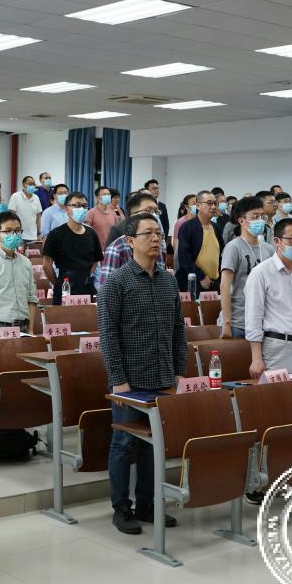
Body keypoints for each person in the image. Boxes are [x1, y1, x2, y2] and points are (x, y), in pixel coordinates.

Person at [98, 212, 187, 535]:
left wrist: (179, 371)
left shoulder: (168, 280)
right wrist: (118, 380)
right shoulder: (116, 282)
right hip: (129, 380)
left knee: (154, 444)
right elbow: (108, 334)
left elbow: (178, 330)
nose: (155, 239)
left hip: (162, 375)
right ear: (130, 241)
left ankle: (147, 505)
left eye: (158, 234)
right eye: (147, 233)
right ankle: (121, 508)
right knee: (123, 443)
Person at [245, 218, 292, 379]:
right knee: (279, 393)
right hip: (276, 347)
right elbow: (253, 318)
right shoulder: (261, 273)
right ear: (277, 241)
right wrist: (256, 359)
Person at [218, 196, 274, 339]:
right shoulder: (233, 247)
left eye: (261, 216)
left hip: (263, 320)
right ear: (241, 221)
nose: (260, 220)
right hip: (238, 322)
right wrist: (227, 322)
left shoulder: (268, 249)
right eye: (254, 217)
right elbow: (225, 286)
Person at [94, 193, 164, 290]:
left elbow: (161, 281)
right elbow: (107, 291)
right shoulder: (117, 248)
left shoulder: (156, 244)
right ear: (133, 215)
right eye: (148, 210)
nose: (153, 215)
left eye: (156, 211)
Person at [42, 191, 102, 304]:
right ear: (66, 208)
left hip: (86, 288)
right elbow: (46, 265)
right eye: (77, 205)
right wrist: (58, 283)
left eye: (84, 206)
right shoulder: (56, 234)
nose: (81, 209)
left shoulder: (92, 233)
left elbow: (96, 260)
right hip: (64, 289)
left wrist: (85, 276)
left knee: (86, 315)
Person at [174, 190, 223, 293]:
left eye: (215, 203)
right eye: (209, 203)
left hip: (214, 282)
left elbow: (221, 254)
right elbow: (184, 257)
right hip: (194, 281)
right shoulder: (187, 227)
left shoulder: (216, 228)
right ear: (198, 206)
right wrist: (201, 276)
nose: (213, 207)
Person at [83, 185, 121, 252]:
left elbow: (117, 231)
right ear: (98, 198)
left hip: (111, 251)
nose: (107, 196)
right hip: (96, 251)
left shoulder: (114, 213)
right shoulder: (91, 213)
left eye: (108, 194)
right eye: (104, 194)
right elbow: (86, 234)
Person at [6, 176, 42, 242]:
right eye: (30, 184)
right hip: (18, 235)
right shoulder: (15, 196)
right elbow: (10, 215)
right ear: (23, 184)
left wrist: (39, 233)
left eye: (33, 184)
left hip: (33, 236)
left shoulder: (36, 198)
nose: (32, 186)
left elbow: (38, 217)